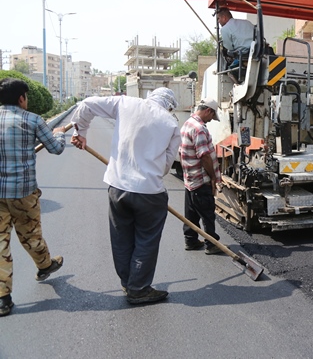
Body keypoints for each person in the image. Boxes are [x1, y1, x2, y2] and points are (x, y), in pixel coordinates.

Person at [70, 87, 181, 305]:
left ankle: (128, 281)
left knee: (121, 237)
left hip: (118, 186)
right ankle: (138, 289)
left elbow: (87, 104)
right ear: (169, 107)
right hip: (149, 192)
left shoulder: (126, 103)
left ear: (150, 97)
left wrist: (80, 132)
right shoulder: (171, 123)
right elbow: (167, 164)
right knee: (146, 240)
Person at [0, 78, 66, 317]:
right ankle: (45, 265)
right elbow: (56, 148)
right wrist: (59, 134)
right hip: (23, 193)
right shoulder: (32, 120)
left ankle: (2, 299)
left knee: (0, 244)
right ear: (22, 98)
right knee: (30, 234)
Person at [179, 97, 223, 255]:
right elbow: (204, 156)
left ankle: (190, 240)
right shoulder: (199, 129)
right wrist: (213, 177)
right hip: (200, 178)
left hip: (190, 178)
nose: (211, 120)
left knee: (191, 212)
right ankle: (211, 244)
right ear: (208, 111)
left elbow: (181, 152)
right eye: (212, 116)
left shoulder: (187, 124)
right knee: (207, 213)